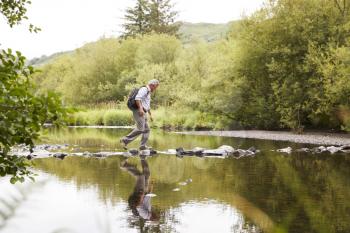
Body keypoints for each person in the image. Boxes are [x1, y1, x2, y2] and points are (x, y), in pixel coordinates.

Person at [120, 79, 159, 150]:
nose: (156, 88)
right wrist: (141, 109)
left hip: (144, 112)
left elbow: (147, 104)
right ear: (152, 85)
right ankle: (124, 139)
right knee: (140, 129)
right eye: (156, 86)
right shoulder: (144, 89)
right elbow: (137, 99)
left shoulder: (148, 92)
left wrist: (150, 115)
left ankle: (142, 146)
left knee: (147, 130)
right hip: (139, 111)